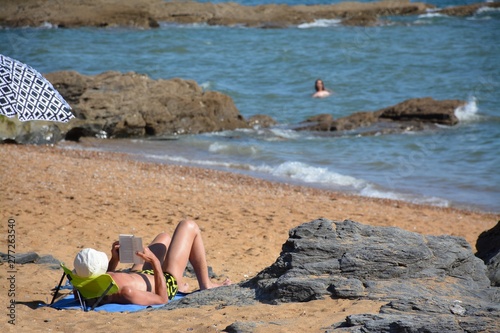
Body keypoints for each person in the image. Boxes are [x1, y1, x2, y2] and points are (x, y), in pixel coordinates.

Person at [72, 219, 231, 306]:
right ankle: (205, 284)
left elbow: (106, 276)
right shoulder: (127, 292)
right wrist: (153, 261)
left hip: (138, 275)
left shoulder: (84, 287)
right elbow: (162, 299)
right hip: (165, 281)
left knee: (164, 238)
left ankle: (182, 283)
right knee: (188, 225)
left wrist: (115, 259)